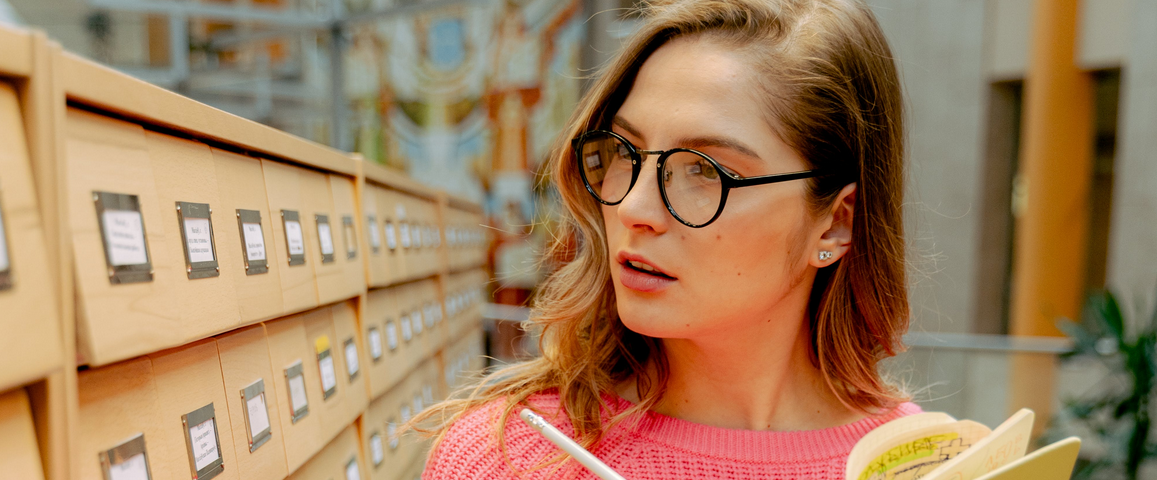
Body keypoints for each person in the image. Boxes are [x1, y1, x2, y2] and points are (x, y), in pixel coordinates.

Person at [415, 0, 919, 477]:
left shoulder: (918, 463)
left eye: (704, 169)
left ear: (835, 222)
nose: (633, 208)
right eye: (626, 150)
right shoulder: (508, 459)